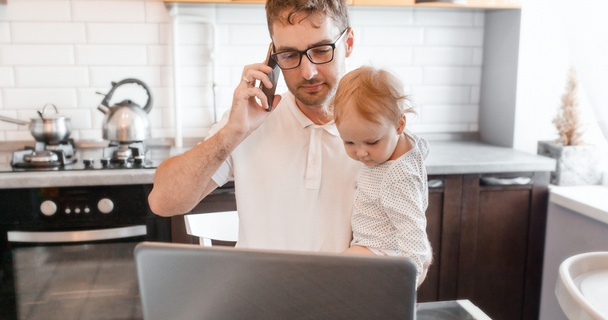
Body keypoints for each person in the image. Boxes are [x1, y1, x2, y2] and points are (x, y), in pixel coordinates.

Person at [148, 0, 362, 252]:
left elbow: (411, 261)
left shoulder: (379, 133)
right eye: (289, 55)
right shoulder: (249, 122)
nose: (308, 71)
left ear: (347, 43)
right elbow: (162, 202)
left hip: (340, 290)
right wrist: (231, 134)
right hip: (256, 290)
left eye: (321, 50)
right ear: (273, 55)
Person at [332, 66, 432, 286]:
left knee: (329, 274)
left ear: (400, 124)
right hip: (380, 249)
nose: (361, 153)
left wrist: (409, 283)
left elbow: (413, 233)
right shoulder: (406, 148)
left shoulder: (398, 176)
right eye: (349, 142)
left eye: (372, 142)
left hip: (382, 252)